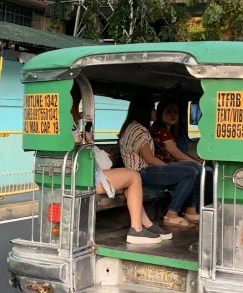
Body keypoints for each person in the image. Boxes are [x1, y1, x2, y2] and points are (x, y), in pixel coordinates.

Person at [70, 87, 171, 245]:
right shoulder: (69, 122)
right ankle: (136, 230)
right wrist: (88, 141)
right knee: (133, 176)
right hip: (84, 177)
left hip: (77, 175)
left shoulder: (59, 120)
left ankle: (147, 224)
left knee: (128, 183)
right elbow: (76, 146)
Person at [119, 97, 202, 227]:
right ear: (144, 110)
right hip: (142, 173)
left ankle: (190, 210)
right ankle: (171, 214)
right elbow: (149, 159)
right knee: (190, 171)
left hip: (146, 171)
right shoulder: (138, 129)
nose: (155, 111)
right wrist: (170, 169)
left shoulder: (135, 127)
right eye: (152, 108)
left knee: (194, 168)